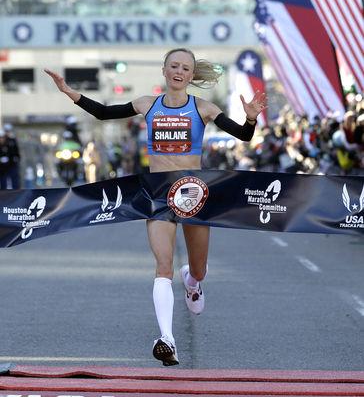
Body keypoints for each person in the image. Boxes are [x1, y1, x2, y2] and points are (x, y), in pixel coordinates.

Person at [45, 47, 266, 366]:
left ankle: (192, 281)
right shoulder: (146, 104)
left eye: (186, 68)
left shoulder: (202, 107)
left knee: (199, 268)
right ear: (164, 70)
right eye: (174, 66)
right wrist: (70, 92)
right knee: (163, 264)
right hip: (158, 193)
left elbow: (243, 135)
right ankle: (167, 339)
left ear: (191, 75)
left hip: (193, 194)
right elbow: (105, 112)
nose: (179, 71)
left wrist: (250, 117)